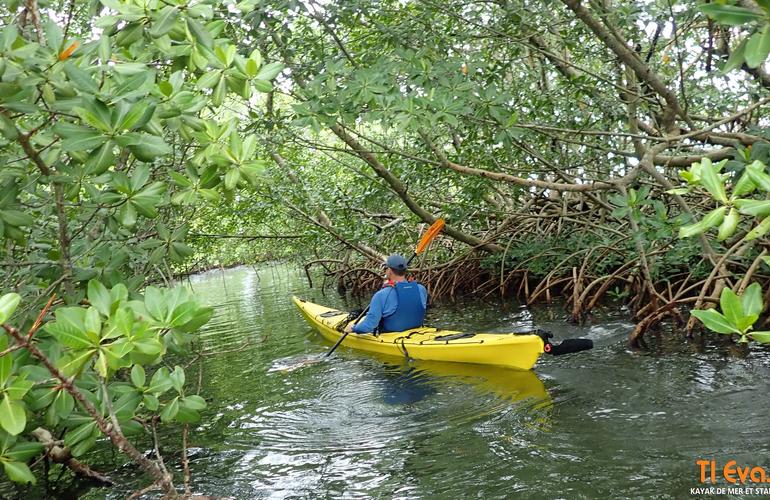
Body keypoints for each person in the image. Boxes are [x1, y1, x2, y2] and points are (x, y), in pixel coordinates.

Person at [344, 254, 428, 334]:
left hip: (391, 335)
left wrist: (354, 328)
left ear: (389, 271)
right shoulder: (421, 289)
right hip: (417, 332)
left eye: (386, 268)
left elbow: (368, 326)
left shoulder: (381, 295)